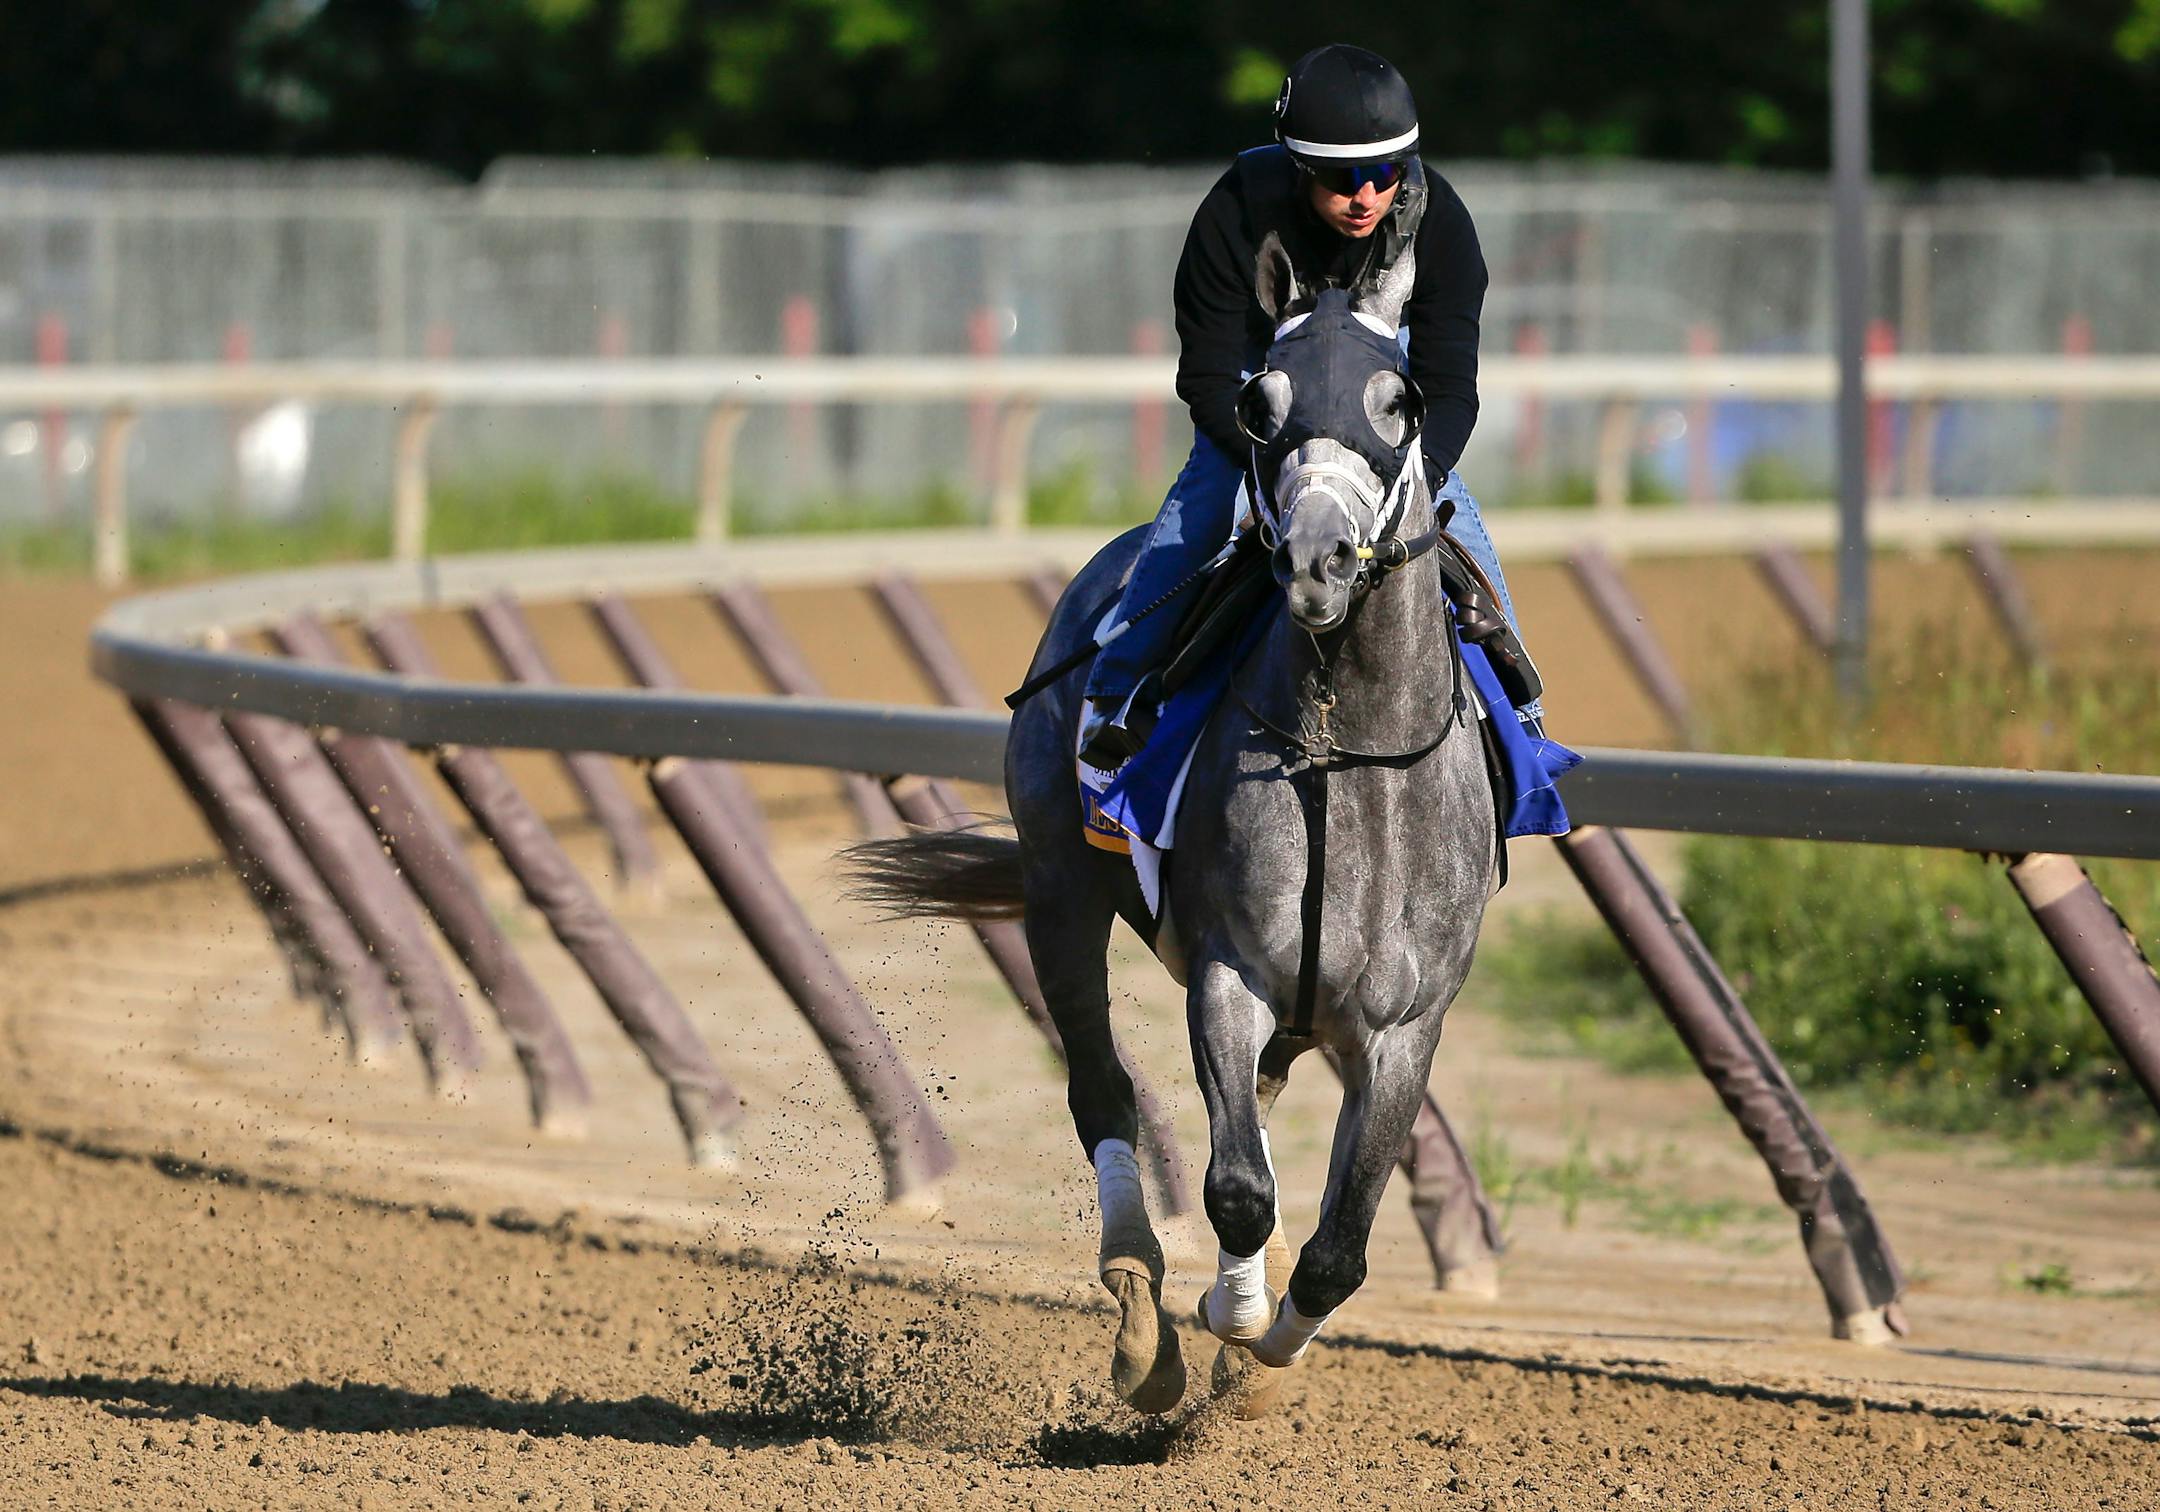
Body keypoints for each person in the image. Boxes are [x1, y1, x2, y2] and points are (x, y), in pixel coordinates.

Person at [1079, 42, 1538, 768]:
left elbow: (1450, 389)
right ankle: (1111, 708)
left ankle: (1524, 728)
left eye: (1386, 175)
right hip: (1262, 430)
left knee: (1471, 552)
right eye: (1342, 178)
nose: (1366, 197)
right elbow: (1206, 376)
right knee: (1191, 530)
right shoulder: (1235, 209)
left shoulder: (1440, 220)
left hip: (1380, 442)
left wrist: (1415, 474)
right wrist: (1275, 472)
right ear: (1298, 168)